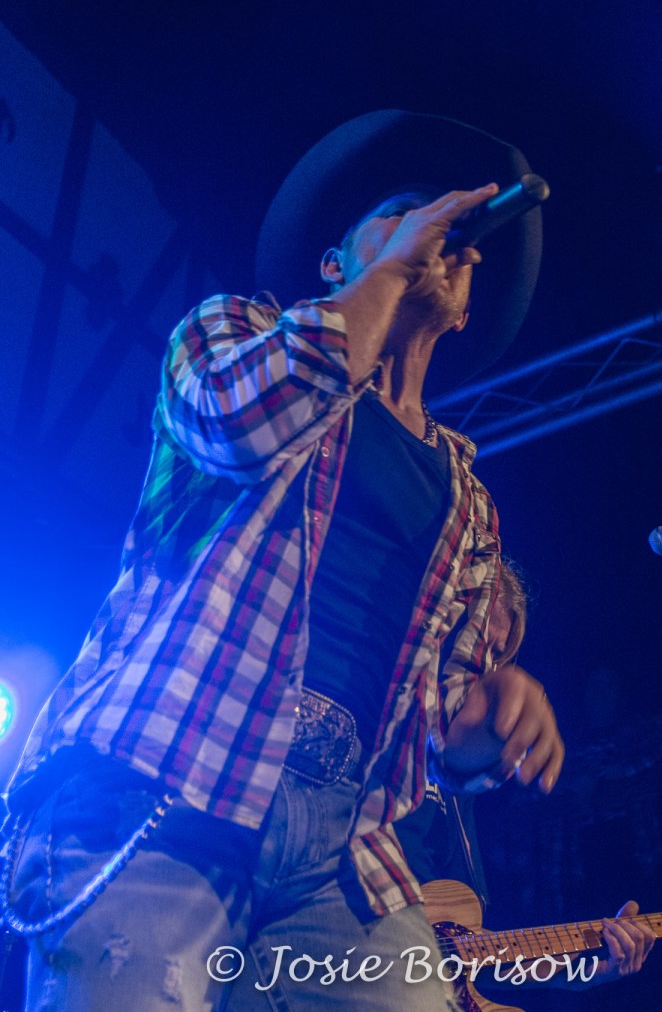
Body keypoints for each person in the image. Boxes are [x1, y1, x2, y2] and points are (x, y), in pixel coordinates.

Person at [1, 110, 564, 1012]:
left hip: (341, 854)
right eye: (400, 212)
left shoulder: (470, 501)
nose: (435, 232)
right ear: (336, 265)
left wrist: (488, 717)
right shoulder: (232, 330)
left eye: (449, 232)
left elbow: (428, 722)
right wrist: (389, 277)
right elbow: (237, 421)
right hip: (167, 779)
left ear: (463, 310)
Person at [397, 560, 655, 990]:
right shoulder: (378, 748)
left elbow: (469, 953)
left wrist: (585, 972)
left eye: (500, 657)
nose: (488, 670)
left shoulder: (462, 790)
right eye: (481, 648)